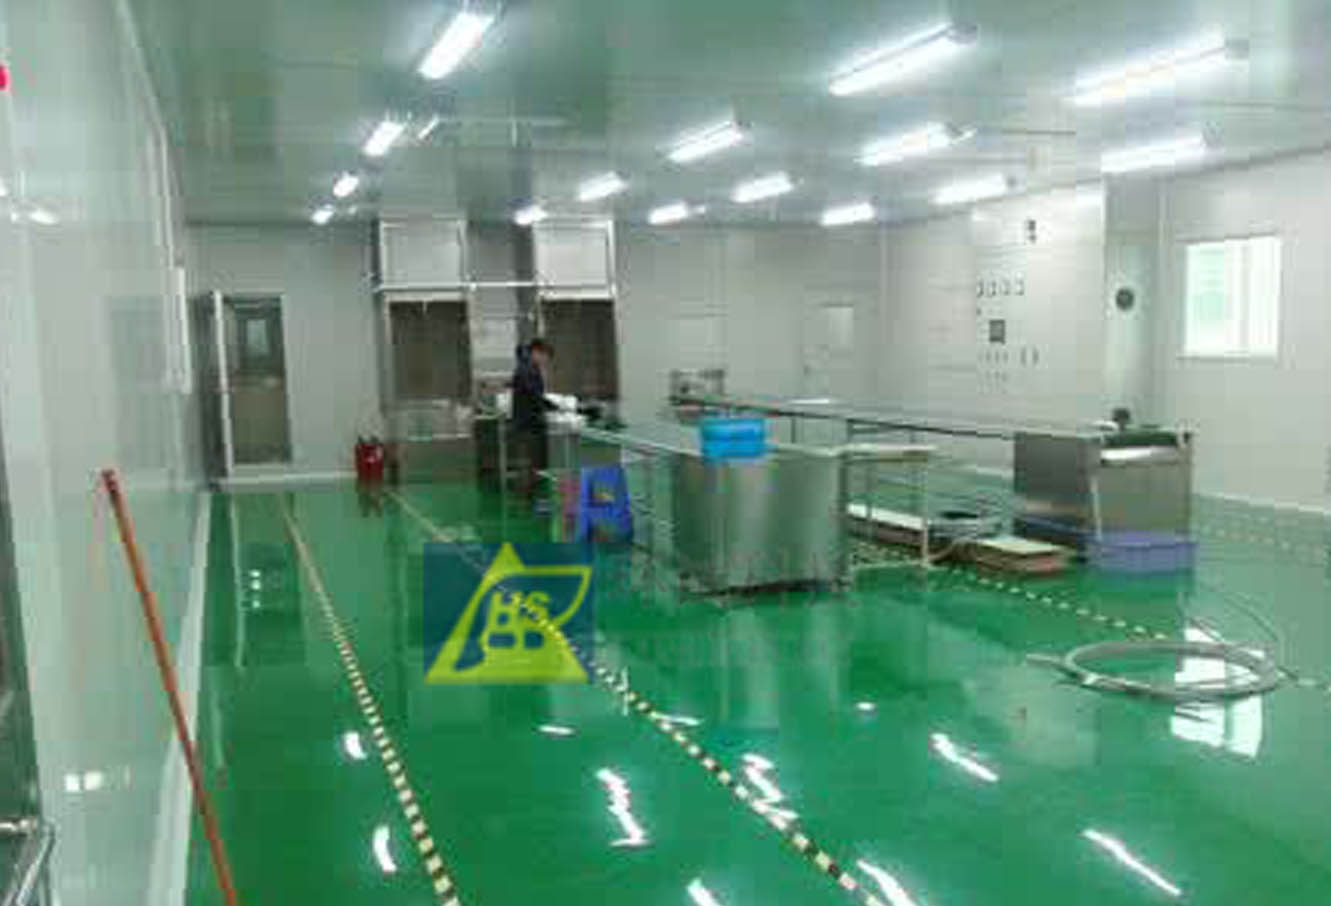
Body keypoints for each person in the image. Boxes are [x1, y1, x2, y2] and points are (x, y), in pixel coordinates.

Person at [510, 338, 557, 500]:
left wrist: (549, 406)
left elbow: (535, 394)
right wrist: (553, 406)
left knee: (530, 463)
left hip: (529, 422)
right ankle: (525, 498)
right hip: (527, 424)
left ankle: (528, 496)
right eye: (545, 356)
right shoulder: (527, 369)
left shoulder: (529, 367)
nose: (545, 361)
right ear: (536, 352)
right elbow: (534, 395)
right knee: (527, 463)